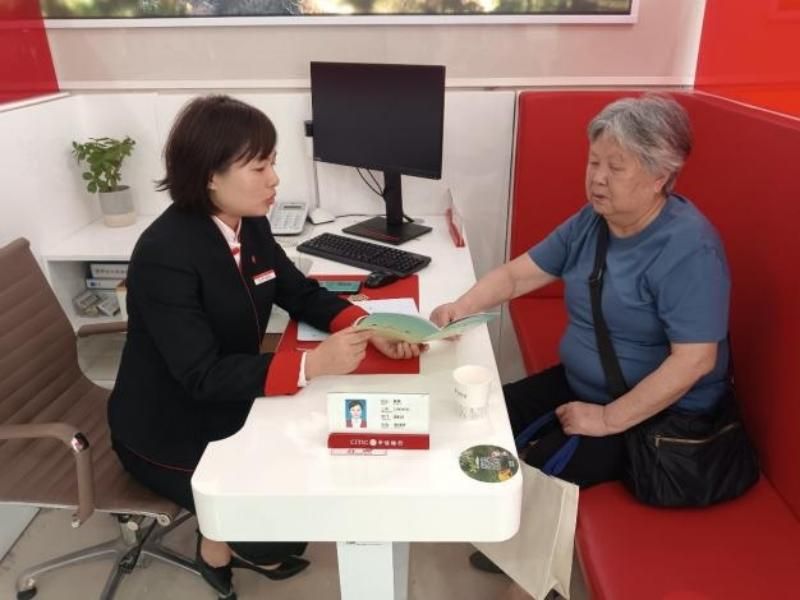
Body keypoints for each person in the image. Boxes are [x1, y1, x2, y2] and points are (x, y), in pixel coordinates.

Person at [107, 95, 424, 597]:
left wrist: (369, 326)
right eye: (259, 167)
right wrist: (311, 364)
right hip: (167, 427)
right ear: (210, 176)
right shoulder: (165, 254)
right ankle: (215, 544)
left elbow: (298, 292)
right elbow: (201, 375)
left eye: (272, 162)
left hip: (231, 396)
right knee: (277, 528)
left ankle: (226, 535)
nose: (275, 179)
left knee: (308, 478)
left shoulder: (249, 222)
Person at [430, 94, 731, 573]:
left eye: (616, 166)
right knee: (487, 414)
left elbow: (695, 360)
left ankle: (530, 582)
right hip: (586, 380)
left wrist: (609, 419)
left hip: (656, 409)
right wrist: (459, 308)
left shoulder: (689, 250)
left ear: (660, 176)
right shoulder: (593, 221)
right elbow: (517, 276)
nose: (598, 177)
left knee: (547, 465)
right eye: (594, 162)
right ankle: (499, 533)